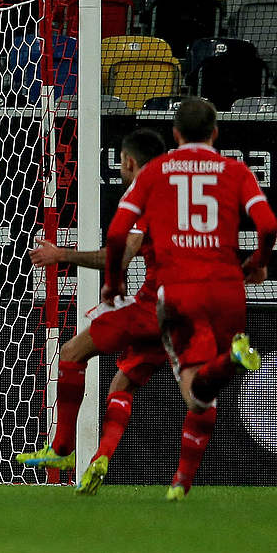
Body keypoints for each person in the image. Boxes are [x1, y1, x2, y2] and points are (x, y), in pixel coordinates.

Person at [103, 98, 276, 500]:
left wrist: (113, 281)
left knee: (193, 389)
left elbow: (116, 234)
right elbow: (267, 224)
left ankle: (232, 362)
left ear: (175, 134)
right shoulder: (234, 169)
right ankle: (182, 481)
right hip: (228, 289)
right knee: (206, 393)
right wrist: (259, 263)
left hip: (181, 291)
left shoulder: (158, 170)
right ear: (215, 133)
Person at [15, 129, 168, 494]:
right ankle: (101, 458)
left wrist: (60, 255)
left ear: (129, 162)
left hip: (154, 307)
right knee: (124, 383)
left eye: (120, 163)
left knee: (70, 352)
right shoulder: (179, 192)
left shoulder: (144, 195)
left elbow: (123, 254)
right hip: (189, 310)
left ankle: (63, 449)